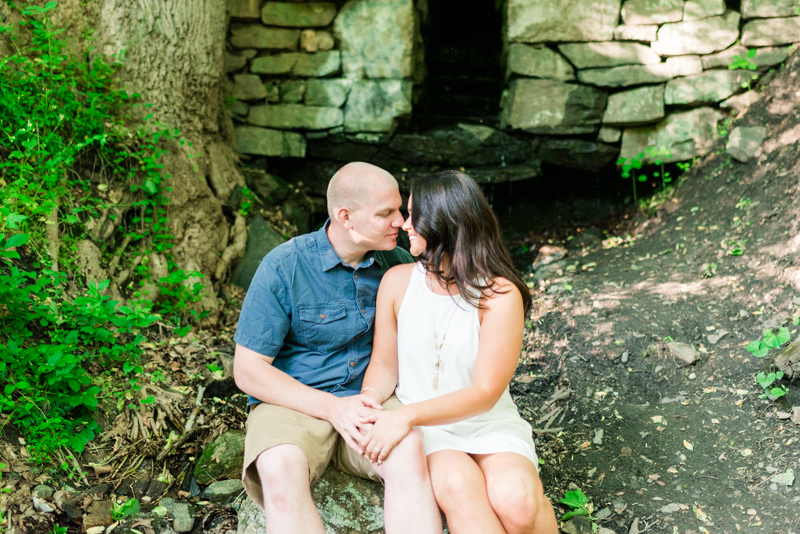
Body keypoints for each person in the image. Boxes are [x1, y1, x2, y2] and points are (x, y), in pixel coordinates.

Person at [232, 162, 442, 534]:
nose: (402, 222)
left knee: (408, 449)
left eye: (400, 210)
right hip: (293, 404)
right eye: (386, 213)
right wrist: (333, 409)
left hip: (370, 400)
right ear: (346, 216)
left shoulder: (399, 262)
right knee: (278, 467)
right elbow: (248, 371)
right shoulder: (284, 266)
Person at [357, 170, 559, 534]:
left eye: (414, 214)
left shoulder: (499, 294)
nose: (404, 224)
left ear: (445, 222)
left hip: (488, 423)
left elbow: (484, 393)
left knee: (518, 500)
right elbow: (385, 364)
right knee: (459, 487)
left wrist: (406, 415)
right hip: (428, 430)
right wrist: (370, 401)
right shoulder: (397, 282)